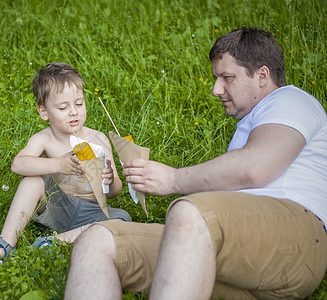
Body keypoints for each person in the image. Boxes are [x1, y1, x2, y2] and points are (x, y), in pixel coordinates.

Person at [64, 27, 327, 299]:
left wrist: (173, 180)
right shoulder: (250, 126)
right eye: (216, 78)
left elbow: (254, 167)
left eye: (227, 78)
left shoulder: (291, 100)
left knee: (190, 212)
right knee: (97, 241)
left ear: (262, 75)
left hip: (293, 238)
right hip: (240, 262)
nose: (216, 89)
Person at [0, 62, 131, 264]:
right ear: (44, 112)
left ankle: (54, 243)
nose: (73, 112)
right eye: (63, 107)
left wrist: (111, 180)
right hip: (57, 206)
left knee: (122, 219)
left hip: (94, 212)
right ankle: (5, 244)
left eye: (79, 103)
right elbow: (18, 164)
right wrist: (58, 165)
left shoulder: (99, 139)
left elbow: (115, 192)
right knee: (32, 180)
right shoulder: (44, 138)